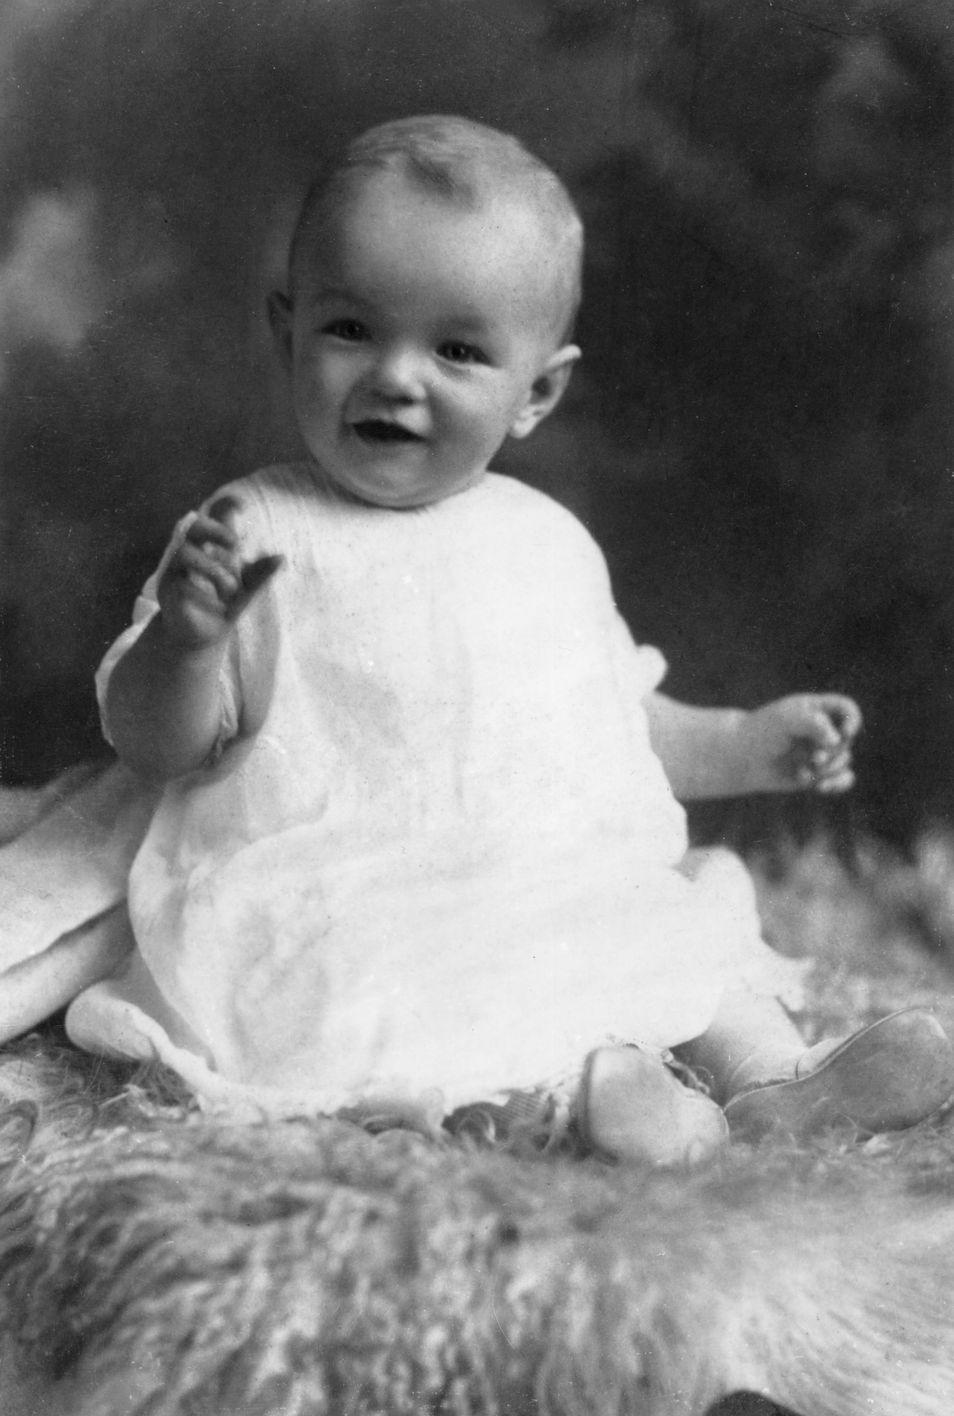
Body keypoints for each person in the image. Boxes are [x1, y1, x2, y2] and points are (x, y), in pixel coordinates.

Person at [64, 114, 954, 1164]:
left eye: (456, 350)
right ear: (286, 330)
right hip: (344, 888)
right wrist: (188, 638)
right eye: (352, 329)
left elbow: (613, 722)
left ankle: (774, 1086)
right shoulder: (253, 536)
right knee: (361, 1005)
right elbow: (157, 744)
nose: (397, 376)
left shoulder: (546, 543)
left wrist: (752, 742)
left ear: (536, 391)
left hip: (541, 879)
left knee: (675, 935)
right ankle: (575, 1110)